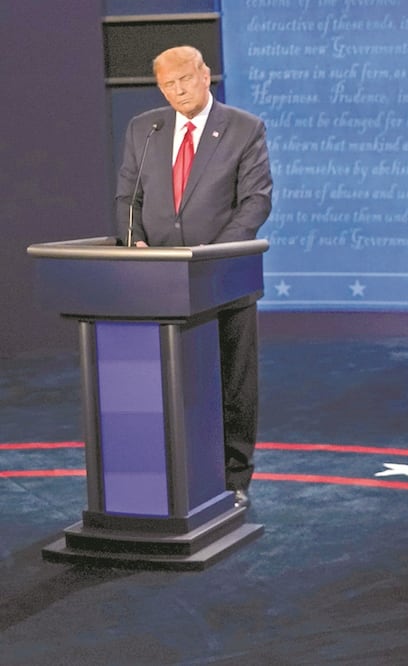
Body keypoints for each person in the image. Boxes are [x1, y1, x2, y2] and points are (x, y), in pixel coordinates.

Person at [115, 45, 273, 509]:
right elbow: (129, 196)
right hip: (157, 283)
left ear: (206, 75)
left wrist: (209, 256)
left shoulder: (244, 128)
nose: (178, 90)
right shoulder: (145, 129)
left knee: (233, 381)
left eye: (185, 78)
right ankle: (171, 476)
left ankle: (234, 477)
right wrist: (135, 246)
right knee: (165, 382)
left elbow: (256, 202)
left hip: (224, 278)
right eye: (168, 84)